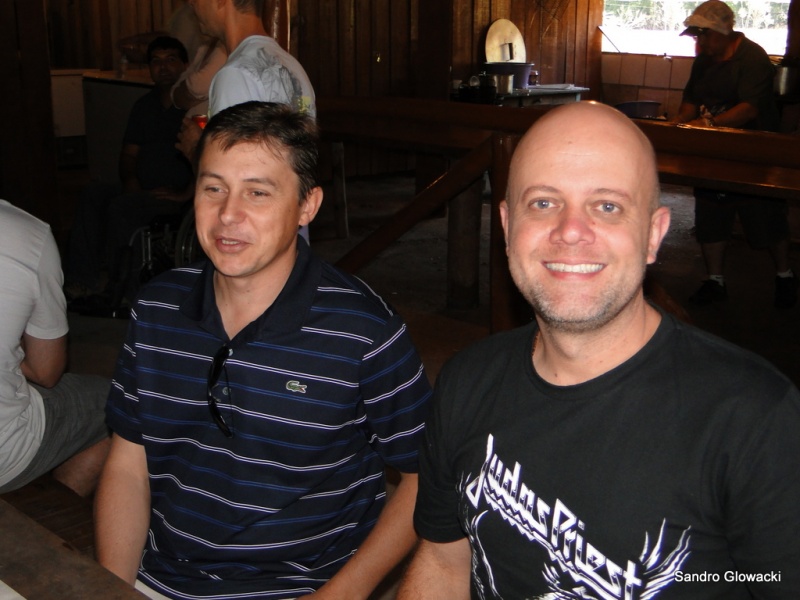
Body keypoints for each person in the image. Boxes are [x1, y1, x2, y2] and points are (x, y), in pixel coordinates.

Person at [397, 101, 800, 599]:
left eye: (607, 206)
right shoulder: (466, 380)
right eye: (543, 203)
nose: (570, 230)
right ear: (506, 227)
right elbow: (444, 560)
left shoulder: (756, 420)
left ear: (653, 235)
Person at [94, 101, 432, 600]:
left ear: (307, 206)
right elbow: (129, 464)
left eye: (257, 192)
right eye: (213, 188)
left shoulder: (364, 330)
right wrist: (112, 590)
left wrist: (339, 596)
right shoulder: (157, 307)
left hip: (302, 586)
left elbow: (426, 476)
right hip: (163, 577)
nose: (228, 215)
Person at [673, 0, 797, 309]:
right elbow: (690, 101)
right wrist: (678, 126)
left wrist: (709, 124)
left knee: (765, 216)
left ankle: (785, 276)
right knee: (711, 213)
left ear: (722, 32)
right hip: (713, 153)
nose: (699, 43)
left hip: (753, 152)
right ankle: (715, 281)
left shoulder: (752, 57)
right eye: (696, 36)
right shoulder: (703, 61)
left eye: (703, 35)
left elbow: (748, 108)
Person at [65, 36, 193, 308]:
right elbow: (129, 154)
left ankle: (122, 288)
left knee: (122, 208)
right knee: (93, 193)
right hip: (141, 187)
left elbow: (207, 159)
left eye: (171, 60)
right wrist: (130, 180)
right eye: (156, 61)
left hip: (174, 195)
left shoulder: (194, 108)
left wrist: (185, 192)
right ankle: (80, 280)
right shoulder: (143, 106)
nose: (163, 67)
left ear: (185, 65)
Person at [178, 0, 315, 242]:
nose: (191, 3)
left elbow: (230, 179)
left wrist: (195, 150)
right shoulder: (292, 66)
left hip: (250, 239)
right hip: (290, 234)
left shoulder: (236, 74)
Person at [0, 200, 110, 498]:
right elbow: (45, 372)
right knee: (118, 402)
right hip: (5, 453)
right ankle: (53, 509)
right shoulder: (28, 234)